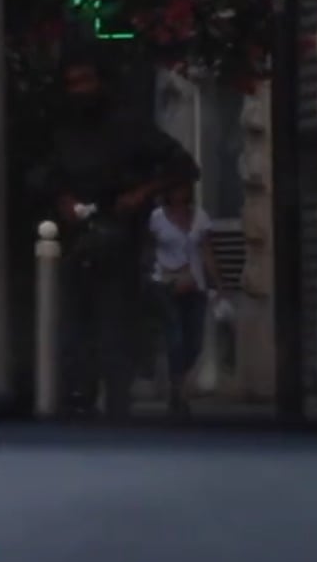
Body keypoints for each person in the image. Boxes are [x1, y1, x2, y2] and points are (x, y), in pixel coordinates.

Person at [30, 45, 199, 419]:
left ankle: (117, 402)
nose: (80, 90)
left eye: (86, 81)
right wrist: (63, 199)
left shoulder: (128, 126)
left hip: (119, 234)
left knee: (114, 324)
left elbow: (182, 165)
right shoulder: (63, 130)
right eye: (73, 83)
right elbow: (43, 174)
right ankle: (78, 397)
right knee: (72, 325)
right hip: (73, 236)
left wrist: (141, 194)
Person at [149, 181, 221, 416]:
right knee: (175, 337)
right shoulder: (157, 218)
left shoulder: (200, 217)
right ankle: (178, 390)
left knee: (195, 341)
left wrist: (217, 282)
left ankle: (178, 380)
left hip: (195, 285)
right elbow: (149, 250)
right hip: (166, 284)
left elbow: (207, 251)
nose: (180, 192)